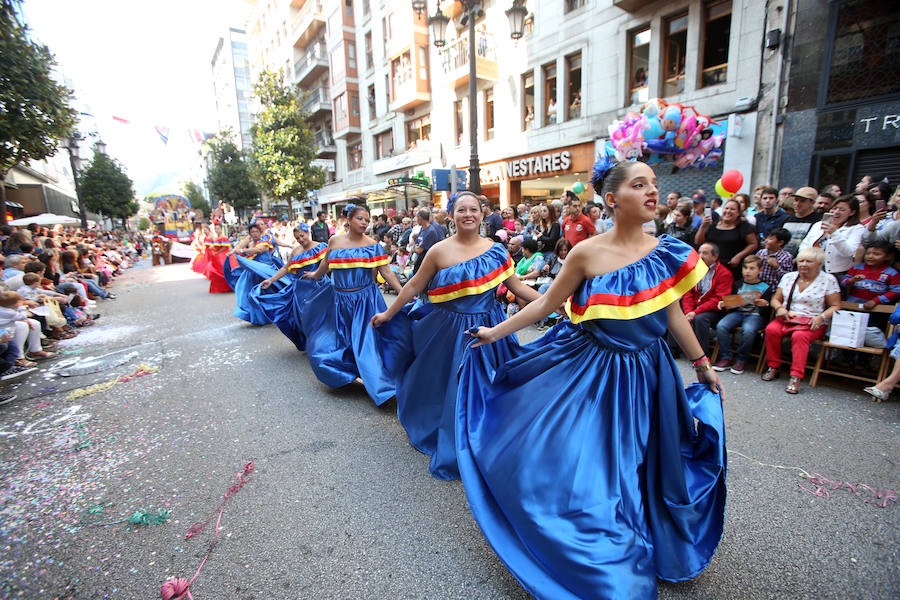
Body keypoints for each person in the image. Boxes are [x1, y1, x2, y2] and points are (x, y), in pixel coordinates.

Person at [460, 159, 725, 599]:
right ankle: (606, 551)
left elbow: (673, 313)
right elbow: (544, 305)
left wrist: (700, 363)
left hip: (649, 372)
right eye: (639, 185)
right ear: (613, 199)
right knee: (600, 462)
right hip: (597, 372)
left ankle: (651, 534)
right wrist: (495, 332)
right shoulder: (586, 253)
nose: (652, 192)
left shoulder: (668, 251)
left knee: (647, 457)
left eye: (654, 184)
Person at [370, 191, 540, 480]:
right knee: (449, 386)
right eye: (461, 210)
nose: (468, 214)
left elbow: (519, 288)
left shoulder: (497, 251)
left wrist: (556, 304)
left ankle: (485, 441)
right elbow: (413, 287)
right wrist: (388, 313)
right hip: (446, 329)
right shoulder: (438, 251)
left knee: (487, 386)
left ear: (483, 214)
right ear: (451, 215)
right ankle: (455, 438)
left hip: (490, 328)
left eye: (474, 209)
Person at [300, 205, 404, 405]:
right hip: (339, 300)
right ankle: (347, 373)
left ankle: (383, 388)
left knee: (367, 343)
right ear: (349, 220)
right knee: (339, 340)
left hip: (365, 301)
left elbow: (386, 272)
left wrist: (402, 292)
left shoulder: (372, 244)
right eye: (360, 219)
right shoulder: (335, 241)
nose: (364, 223)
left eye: (367, 219)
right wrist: (315, 275)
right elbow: (326, 264)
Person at [762, 247, 841, 394]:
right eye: (801, 261)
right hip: (788, 317)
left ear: (819, 264)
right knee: (771, 329)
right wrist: (779, 308)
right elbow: (775, 299)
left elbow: (836, 306)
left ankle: (796, 376)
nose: (803, 264)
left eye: (809, 261)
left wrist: (821, 317)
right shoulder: (789, 277)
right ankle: (773, 366)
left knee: (800, 336)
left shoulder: (828, 280)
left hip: (812, 321)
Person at [250, 223, 328, 351]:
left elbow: (329, 265)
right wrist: (270, 280)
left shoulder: (321, 247)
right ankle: (313, 343)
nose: (301, 240)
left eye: (302, 236)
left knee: (321, 317)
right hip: (301, 292)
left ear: (308, 233)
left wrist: (317, 274)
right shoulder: (296, 251)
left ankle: (322, 344)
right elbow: (286, 268)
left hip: (320, 288)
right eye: (297, 238)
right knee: (305, 318)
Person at [713, 255, 771, 374]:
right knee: (721, 326)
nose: (747, 271)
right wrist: (725, 303)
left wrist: (764, 304)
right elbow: (731, 302)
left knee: (748, 330)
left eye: (752, 268)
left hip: (755, 315)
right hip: (738, 312)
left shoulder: (765, 287)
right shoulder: (738, 284)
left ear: (760, 270)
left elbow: (767, 308)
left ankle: (741, 360)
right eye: (745, 268)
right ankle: (726, 357)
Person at [223, 223, 283, 324]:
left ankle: (277, 312)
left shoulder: (266, 238)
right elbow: (239, 246)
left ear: (260, 231)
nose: (254, 234)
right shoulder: (250, 242)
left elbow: (260, 250)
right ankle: (257, 315)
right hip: (254, 271)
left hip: (266, 270)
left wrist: (242, 250)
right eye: (252, 232)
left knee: (272, 292)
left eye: (256, 231)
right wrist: (233, 252)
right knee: (249, 292)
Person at [680, 243, 734, 356]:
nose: (700, 255)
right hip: (694, 307)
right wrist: (688, 311)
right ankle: (674, 350)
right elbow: (687, 292)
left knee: (700, 318)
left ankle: (700, 354)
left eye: (704, 253)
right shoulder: (694, 269)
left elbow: (717, 299)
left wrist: (695, 312)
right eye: (699, 252)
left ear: (715, 257)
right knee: (677, 313)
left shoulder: (724, 273)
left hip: (714, 309)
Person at [799, 195, 864, 279]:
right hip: (812, 270)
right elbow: (805, 244)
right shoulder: (818, 225)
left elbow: (849, 252)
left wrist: (834, 233)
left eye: (842, 210)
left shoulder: (857, 228)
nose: (836, 212)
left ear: (852, 212)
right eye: (834, 208)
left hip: (837, 274)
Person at [694, 198, 758, 276]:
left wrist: (738, 257)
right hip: (711, 268)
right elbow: (698, 242)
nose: (728, 211)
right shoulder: (713, 225)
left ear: (738, 213)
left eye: (732, 209)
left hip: (732, 266)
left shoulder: (744, 226)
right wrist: (703, 226)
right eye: (726, 208)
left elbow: (753, 244)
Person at [782, 186, 822, 255]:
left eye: (802, 201)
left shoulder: (818, 221)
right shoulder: (787, 219)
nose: (797, 204)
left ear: (812, 202)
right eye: (796, 200)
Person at [412, 209, 445, 274]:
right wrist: (416, 247)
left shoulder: (430, 231)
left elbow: (419, 250)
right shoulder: (422, 229)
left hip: (426, 264)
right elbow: (416, 244)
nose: (416, 220)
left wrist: (416, 248)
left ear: (420, 218)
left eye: (416, 217)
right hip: (419, 262)